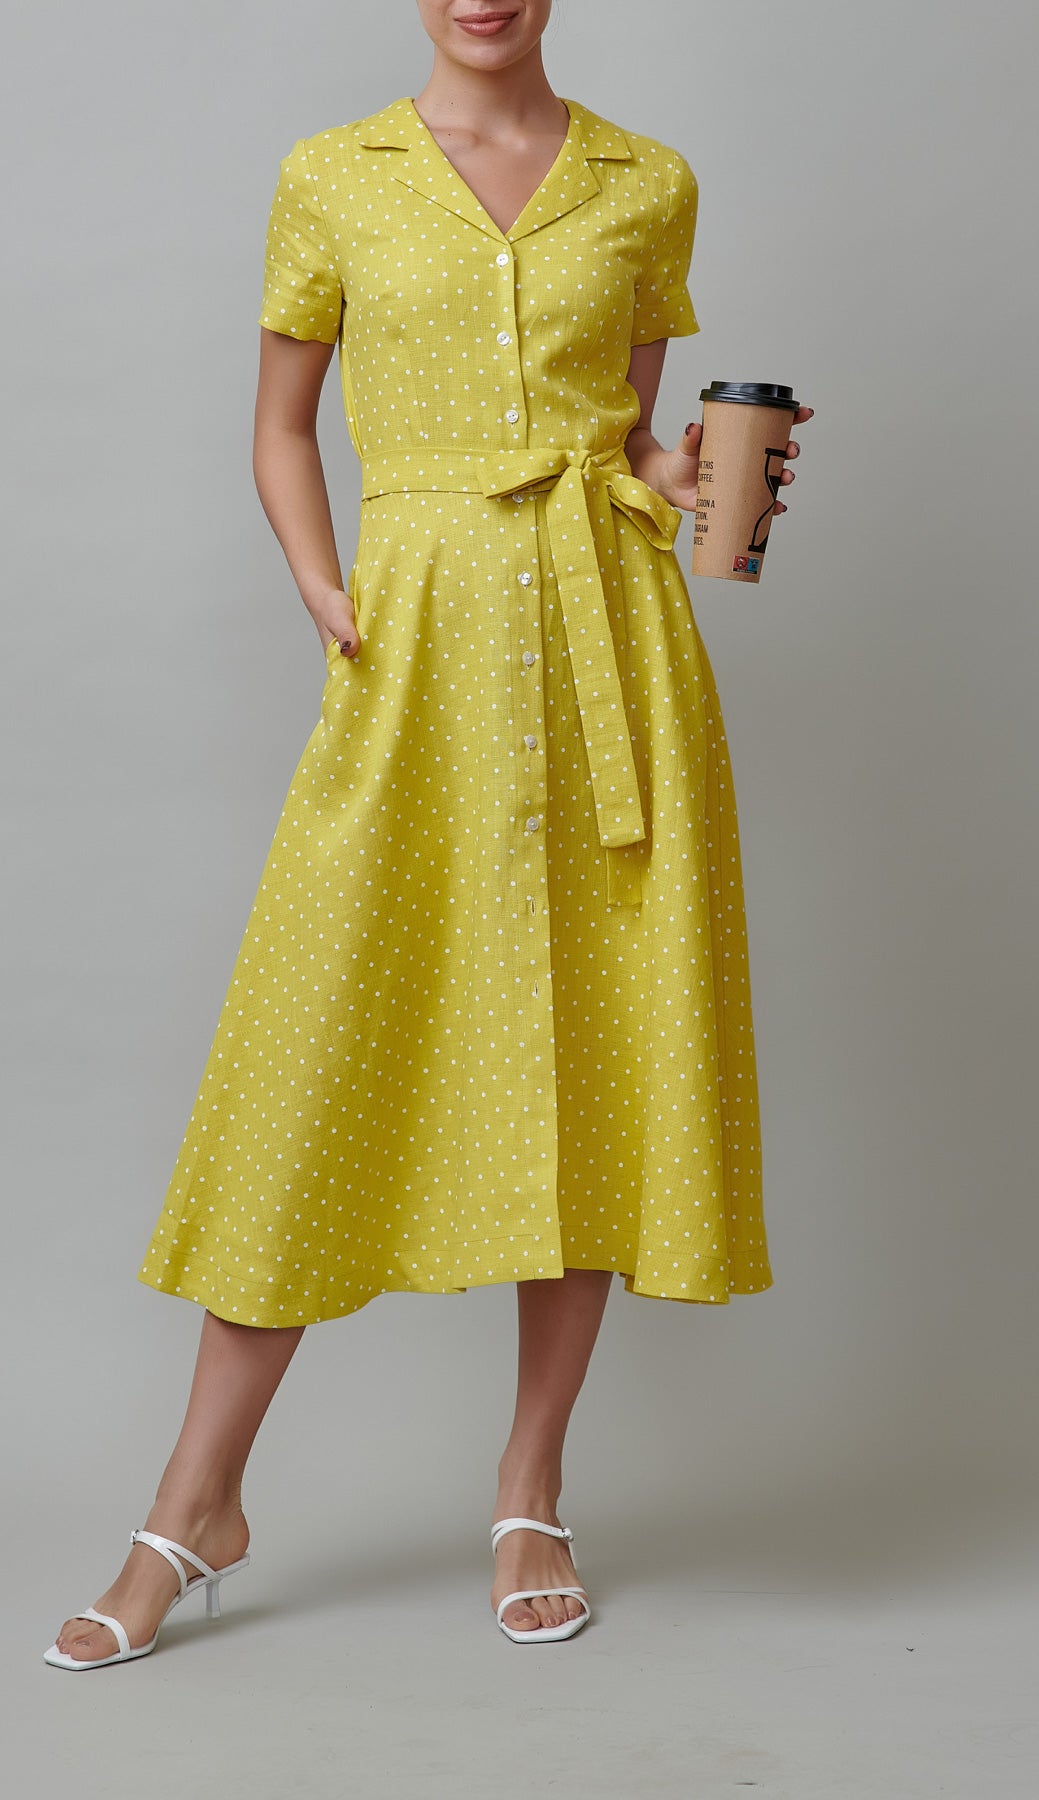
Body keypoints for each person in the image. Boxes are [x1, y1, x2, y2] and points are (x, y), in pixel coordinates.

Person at [45, 0, 813, 1668]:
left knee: (591, 1054)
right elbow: (280, 425)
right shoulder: (334, 174)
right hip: (417, 651)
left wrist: (687, 476)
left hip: (610, 654)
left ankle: (531, 1489)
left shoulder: (647, 181)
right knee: (314, 1056)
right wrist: (325, 587)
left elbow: (621, 436)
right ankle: (194, 1505)